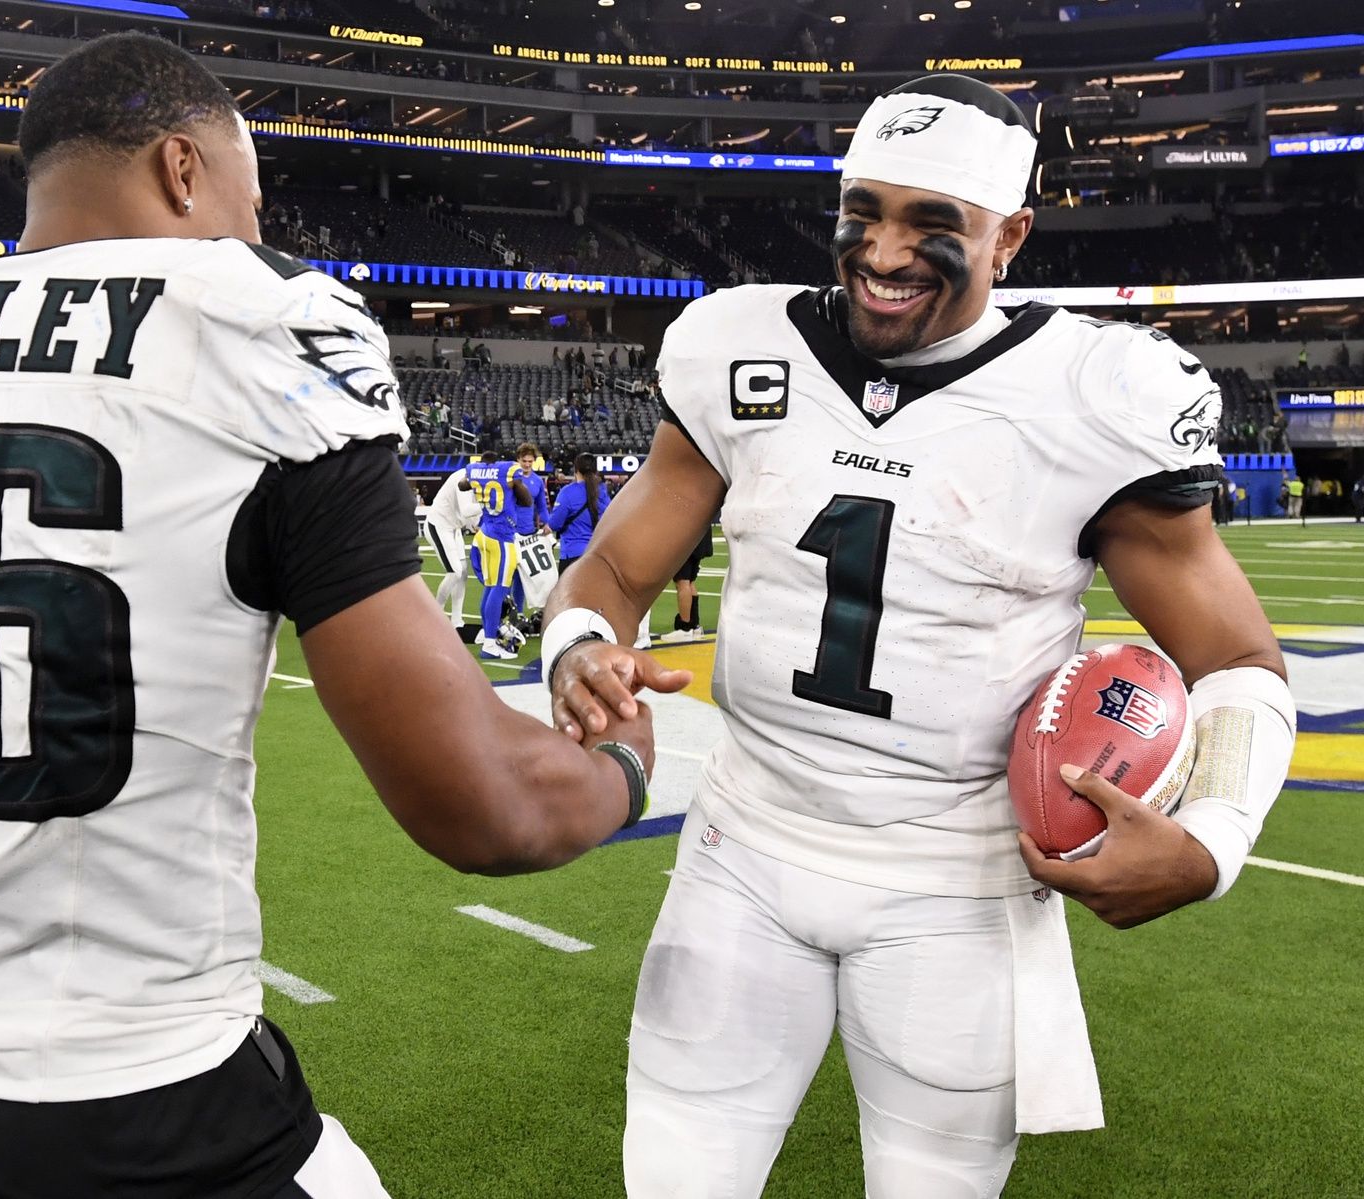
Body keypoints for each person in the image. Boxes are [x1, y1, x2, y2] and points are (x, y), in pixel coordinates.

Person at [0, 34, 659, 1199]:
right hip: (138, 1095)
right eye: (247, 200)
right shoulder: (250, 327)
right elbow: (490, 810)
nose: (253, 234)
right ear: (182, 168)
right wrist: (624, 760)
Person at [540, 73, 1294, 1198]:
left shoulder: (1093, 392)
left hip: (956, 880)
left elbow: (1235, 659)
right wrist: (582, 644)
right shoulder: (737, 344)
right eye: (866, 211)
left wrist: (1218, 834)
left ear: (1013, 236)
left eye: (933, 223)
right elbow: (611, 569)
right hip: (742, 848)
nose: (884, 250)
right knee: (673, 1178)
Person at [465, 451, 532, 660]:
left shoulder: (474, 470)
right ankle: (490, 644)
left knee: (490, 586)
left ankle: (488, 634)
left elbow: (462, 485)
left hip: (483, 533)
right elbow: (527, 501)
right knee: (500, 588)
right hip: (502, 536)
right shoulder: (508, 470)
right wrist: (515, 483)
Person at [423, 465, 481, 632]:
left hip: (454, 528)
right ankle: (435, 614)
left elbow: (473, 520)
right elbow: (466, 510)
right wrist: (489, 504)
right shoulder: (462, 478)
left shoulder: (479, 483)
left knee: (462, 573)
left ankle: (456, 619)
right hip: (439, 525)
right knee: (455, 571)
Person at [508, 442, 558, 630]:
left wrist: (548, 523)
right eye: (524, 461)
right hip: (510, 533)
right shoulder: (510, 478)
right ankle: (506, 612)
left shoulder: (537, 481)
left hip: (529, 533)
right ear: (518, 460)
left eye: (530, 461)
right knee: (508, 575)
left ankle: (518, 614)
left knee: (524, 576)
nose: (527, 464)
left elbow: (542, 507)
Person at [547, 453, 609, 575]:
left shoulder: (568, 492)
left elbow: (555, 524)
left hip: (573, 554)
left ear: (576, 470)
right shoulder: (602, 491)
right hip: (597, 554)